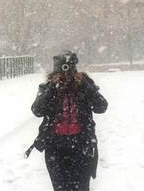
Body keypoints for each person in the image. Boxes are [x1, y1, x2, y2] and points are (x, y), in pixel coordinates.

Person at [31, 51, 107, 191]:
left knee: (82, 188)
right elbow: (37, 111)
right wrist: (52, 88)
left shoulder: (83, 85)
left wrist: (84, 85)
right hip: (55, 148)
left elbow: (101, 107)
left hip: (81, 145)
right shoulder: (47, 87)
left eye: (69, 68)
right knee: (60, 188)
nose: (66, 74)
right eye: (62, 69)